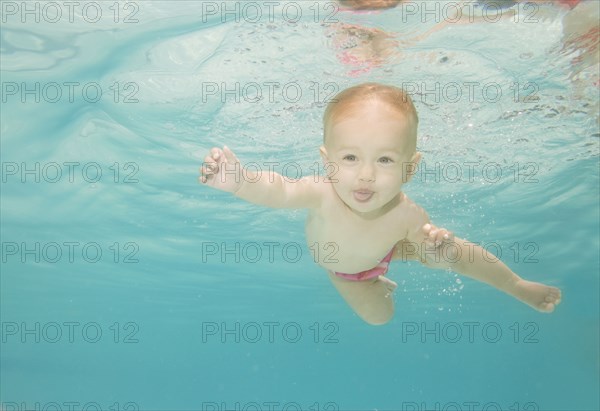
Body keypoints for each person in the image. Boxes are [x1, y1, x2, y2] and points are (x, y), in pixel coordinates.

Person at [199, 83, 562, 325]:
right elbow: (278, 190)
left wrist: (440, 253)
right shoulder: (321, 191)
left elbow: (438, 260)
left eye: (385, 160)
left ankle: (516, 285)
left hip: (391, 242)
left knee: (456, 252)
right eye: (351, 158)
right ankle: (380, 282)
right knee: (379, 318)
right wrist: (240, 182)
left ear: (410, 167)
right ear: (327, 162)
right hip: (349, 274)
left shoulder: (408, 214)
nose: (366, 176)